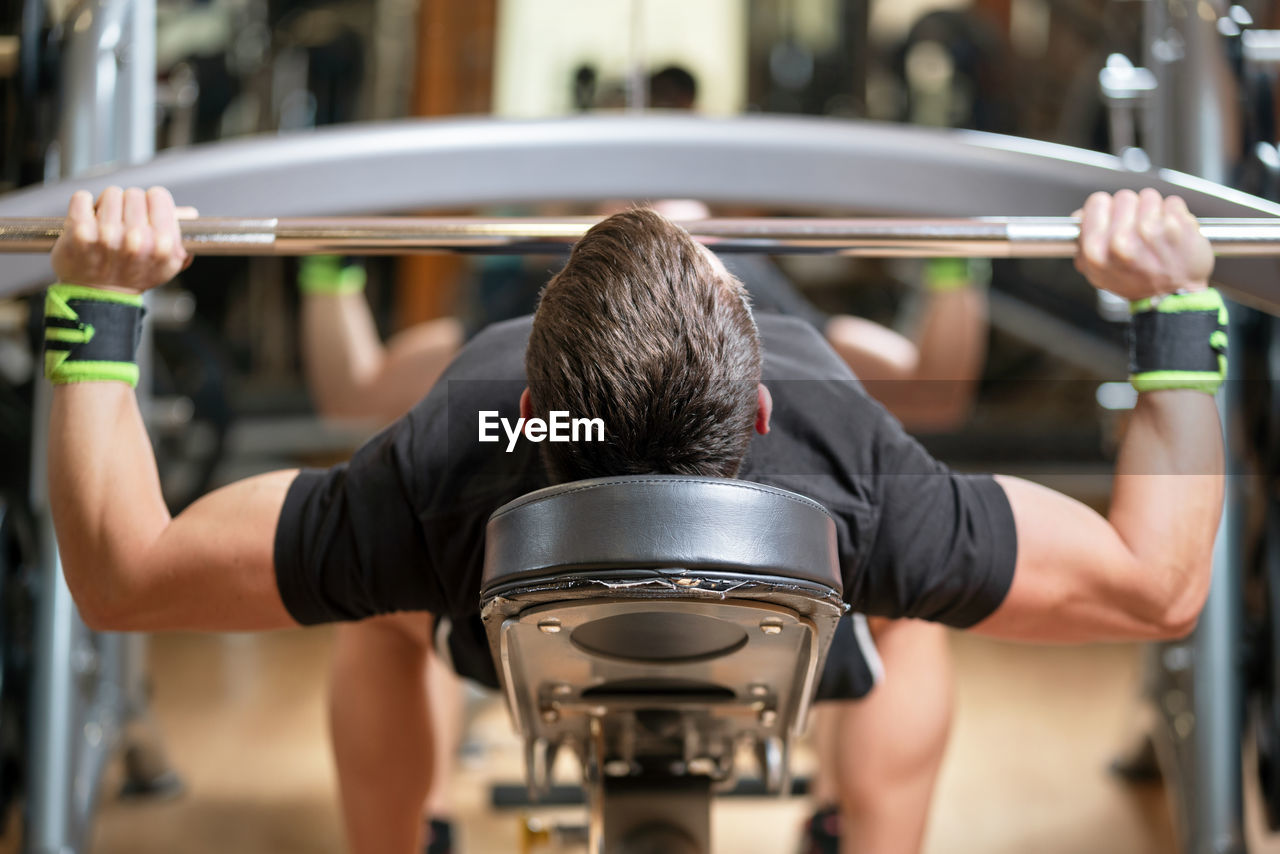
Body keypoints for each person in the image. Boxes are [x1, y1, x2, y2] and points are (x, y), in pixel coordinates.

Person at [44, 186, 1221, 854]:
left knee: (386, 613)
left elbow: (126, 574)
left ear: (529, 397)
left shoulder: (454, 446)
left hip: (503, 597)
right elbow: (1156, 584)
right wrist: (1173, 310)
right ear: (758, 400)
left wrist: (94, 307)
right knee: (911, 619)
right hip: (795, 592)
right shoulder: (842, 460)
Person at [297, 198, 988, 854]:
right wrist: (958, 258)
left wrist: (325, 259)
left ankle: (418, 829)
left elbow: (935, 393)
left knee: (380, 598)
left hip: (531, 553)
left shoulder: (558, 291)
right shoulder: (572, 281)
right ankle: (848, 827)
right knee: (909, 602)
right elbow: (935, 394)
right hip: (761, 538)